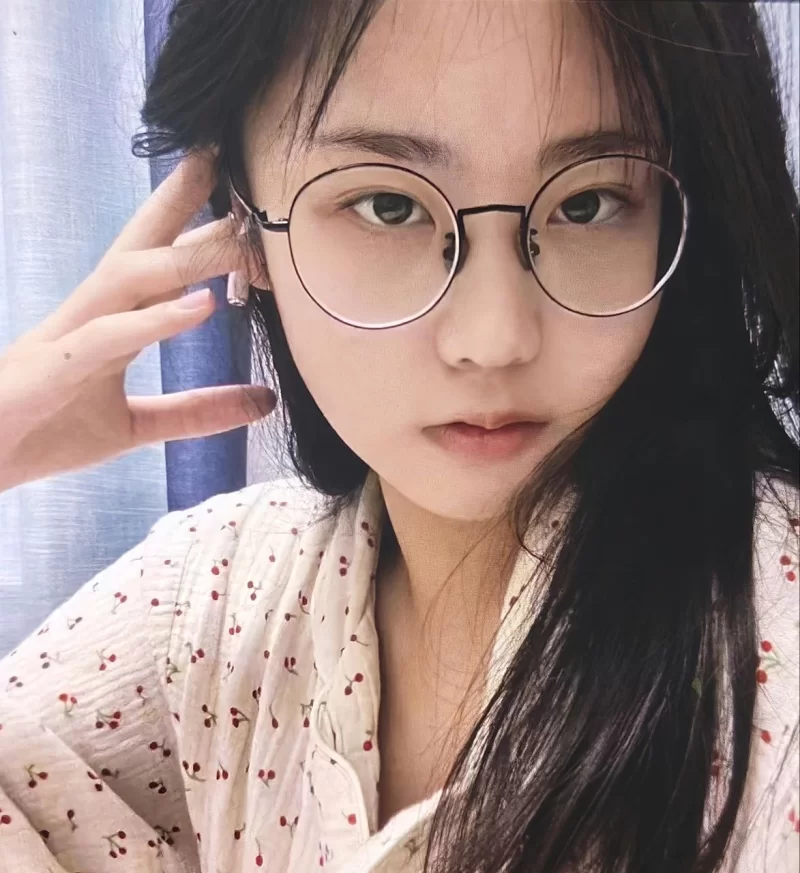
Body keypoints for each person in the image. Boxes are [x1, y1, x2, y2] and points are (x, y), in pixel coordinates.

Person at [0, 1, 797, 871]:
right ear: (245, 227)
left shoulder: (770, 645)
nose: (494, 338)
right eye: (388, 205)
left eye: (588, 202)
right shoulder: (222, 591)